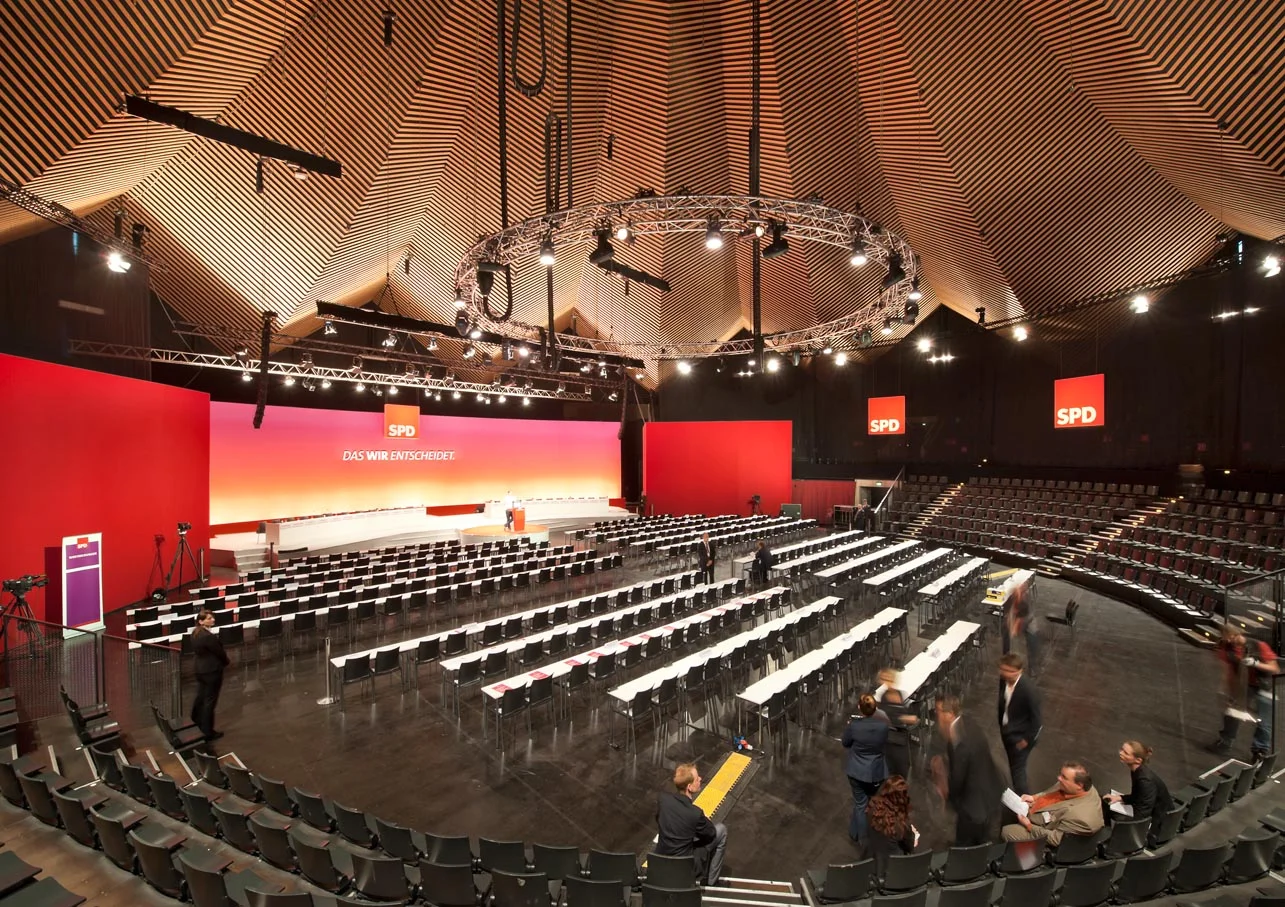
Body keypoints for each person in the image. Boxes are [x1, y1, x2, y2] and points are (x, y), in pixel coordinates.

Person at [934, 693, 1003, 846]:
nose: (937, 716)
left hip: (974, 808)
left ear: (949, 714)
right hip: (989, 794)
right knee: (983, 840)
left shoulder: (961, 745)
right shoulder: (967, 723)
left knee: (965, 845)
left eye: (938, 711)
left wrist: (946, 793)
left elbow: (958, 780)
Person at [1214, 624, 1279, 760]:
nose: (1229, 640)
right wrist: (1229, 692)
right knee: (1232, 714)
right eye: (1226, 638)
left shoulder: (1259, 646)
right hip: (1244, 685)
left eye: (1231, 637)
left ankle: (1260, 750)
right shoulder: (1228, 649)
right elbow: (1229, 672)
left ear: (1238, 634)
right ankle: (1225, 742)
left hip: (1263, 685)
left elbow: (1275, 669)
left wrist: (1255, 664)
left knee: (1264, 721)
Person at [656, 763, 727, 885]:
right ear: (689, 787)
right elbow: (710, 834)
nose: (700, 779)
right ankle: (712, 882)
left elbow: (658, 819)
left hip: (662, 858)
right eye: (697, 778)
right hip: (686, 866)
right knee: (722, 830)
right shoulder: (695, 813)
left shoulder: (663, 800)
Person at [1001, 762, 1104, 847]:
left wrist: (1029, 826)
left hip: (1043, 828)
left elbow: (1056, 839)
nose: (1059, 778)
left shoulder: (1080, 818)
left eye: (1064, 777)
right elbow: (1051, 791)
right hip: (1039, 811)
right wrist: (1034, 797)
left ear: (1079, 785)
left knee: (1007, 831)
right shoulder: (1074, 786)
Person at [1102, 740, 1174, 845]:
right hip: (1148, 811)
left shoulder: (1145, 780)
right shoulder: (1136, 771)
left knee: (1115, 817)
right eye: (1122, 750)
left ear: (1138, 760)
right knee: (1107, 803)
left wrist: (1129, 828)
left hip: (1158, 821)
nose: (1120, 753)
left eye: (1126, 753)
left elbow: (1144, 811)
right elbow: (1138, 795)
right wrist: (1121, 798)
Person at [842, 694, 890, 845]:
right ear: (875, 708)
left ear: (859, 708)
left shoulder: (854, 726)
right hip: (876, 772)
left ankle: (862, 839)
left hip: (856, 771)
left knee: (860, 804)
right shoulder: (883, 727)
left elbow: (845, 743)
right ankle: (855, 833)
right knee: (870, 802)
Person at [997, 653, 1041, 795]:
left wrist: (1026, 740)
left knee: (1018, 774)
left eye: (1009, 671)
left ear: (1019, 671)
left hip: (1020, 738)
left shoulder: (1028, 690)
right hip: (1008, 732)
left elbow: (1037, 720)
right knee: (1014, 768)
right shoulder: (1004, 680)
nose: (1005, 673)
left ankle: (1024, 803)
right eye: (1003, 670)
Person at [862, 776, 918, 875]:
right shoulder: (900, 824)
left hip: (872, 862)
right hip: (894, 867)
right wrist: (913, 833)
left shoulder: (871, 810)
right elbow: (909, 846)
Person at [190, 609, 229, 741]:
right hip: (212, 670)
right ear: (201, 621)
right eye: (209, 618)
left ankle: (197, 722)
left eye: (212, 617)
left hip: (200, 670)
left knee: (202, 697)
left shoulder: (195, 634)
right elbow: (219, 652)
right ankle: (208, 731)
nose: (213, 620)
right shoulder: (208, 637)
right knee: (210, 702)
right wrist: (226, 662)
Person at [876, 668, 918, 779]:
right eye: (885, 679)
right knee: (894, 770)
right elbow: (887, 718)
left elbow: (903, 712)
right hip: (891, 738)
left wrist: (906, 718)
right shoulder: (883, 697)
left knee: (903, 769)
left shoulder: (900, 693)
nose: (888, 682)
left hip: (902, 737)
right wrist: (904, 719)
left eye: (890, 678)